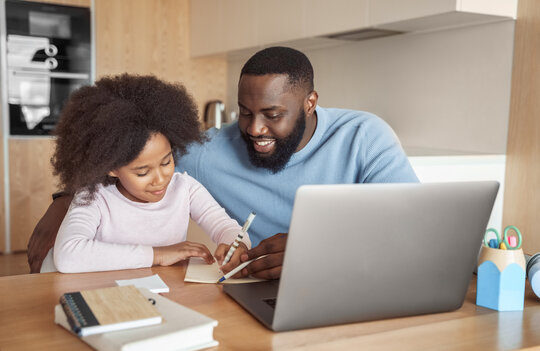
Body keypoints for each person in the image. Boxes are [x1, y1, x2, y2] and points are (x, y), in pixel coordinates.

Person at [28, 47, 418, 277]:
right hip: (259, 286)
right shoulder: (207, 150)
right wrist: (65, 199)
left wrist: (324, 251)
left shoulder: (365, 136)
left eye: (272, 114)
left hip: (348, 278)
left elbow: (412, 228)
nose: (254, 128)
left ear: (310, 103)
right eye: (244, 112)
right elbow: (128, 152)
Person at [42, 74, 250, 273]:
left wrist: (235, 244)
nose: (160, 179)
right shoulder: (94, 197)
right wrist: (157, 255)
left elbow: (228, 228)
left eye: (167, 161)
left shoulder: (185, 188)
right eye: (142, 172)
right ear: (111, 167)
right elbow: (68, 256)